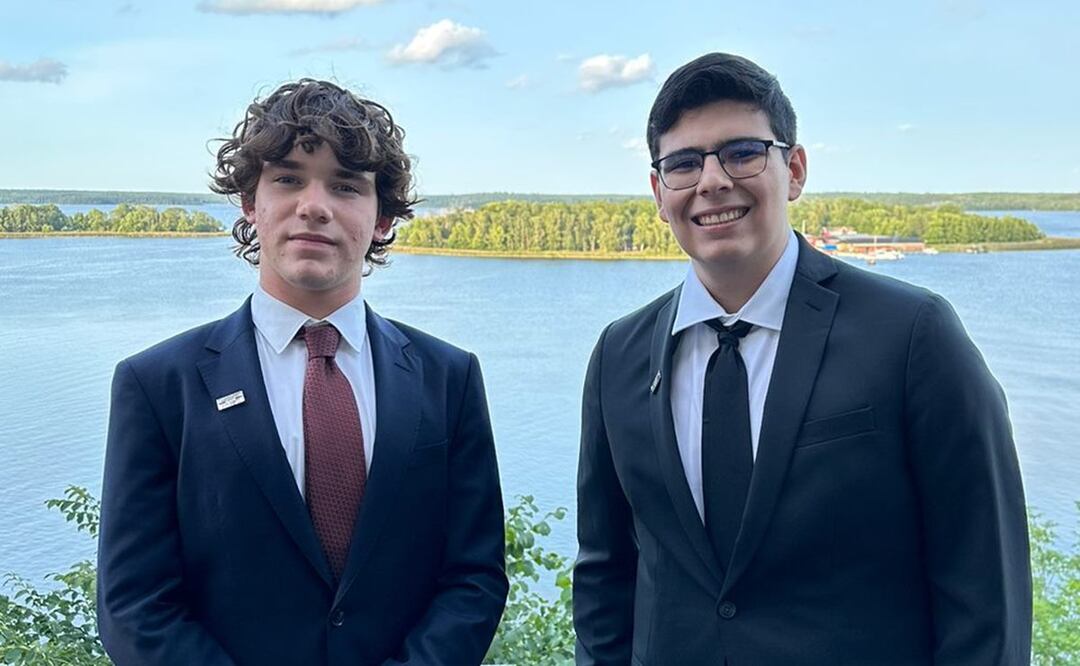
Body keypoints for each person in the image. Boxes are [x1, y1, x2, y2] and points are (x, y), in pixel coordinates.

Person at [574, 53, 1031, 665]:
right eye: (684, 163)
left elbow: (984, 585)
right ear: (659, 193)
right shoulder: (618, 357)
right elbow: (606, 577)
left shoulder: (913, 335)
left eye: (741, 152)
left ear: (793, 169)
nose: (712, 181)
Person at [97, 79, 508, 665]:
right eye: (288, 178)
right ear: (249, 203)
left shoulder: (449, 378)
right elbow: (134, 604)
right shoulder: (158, 385)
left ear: (384, 218)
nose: (314, 205)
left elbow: (474, 578)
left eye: (346, 186)